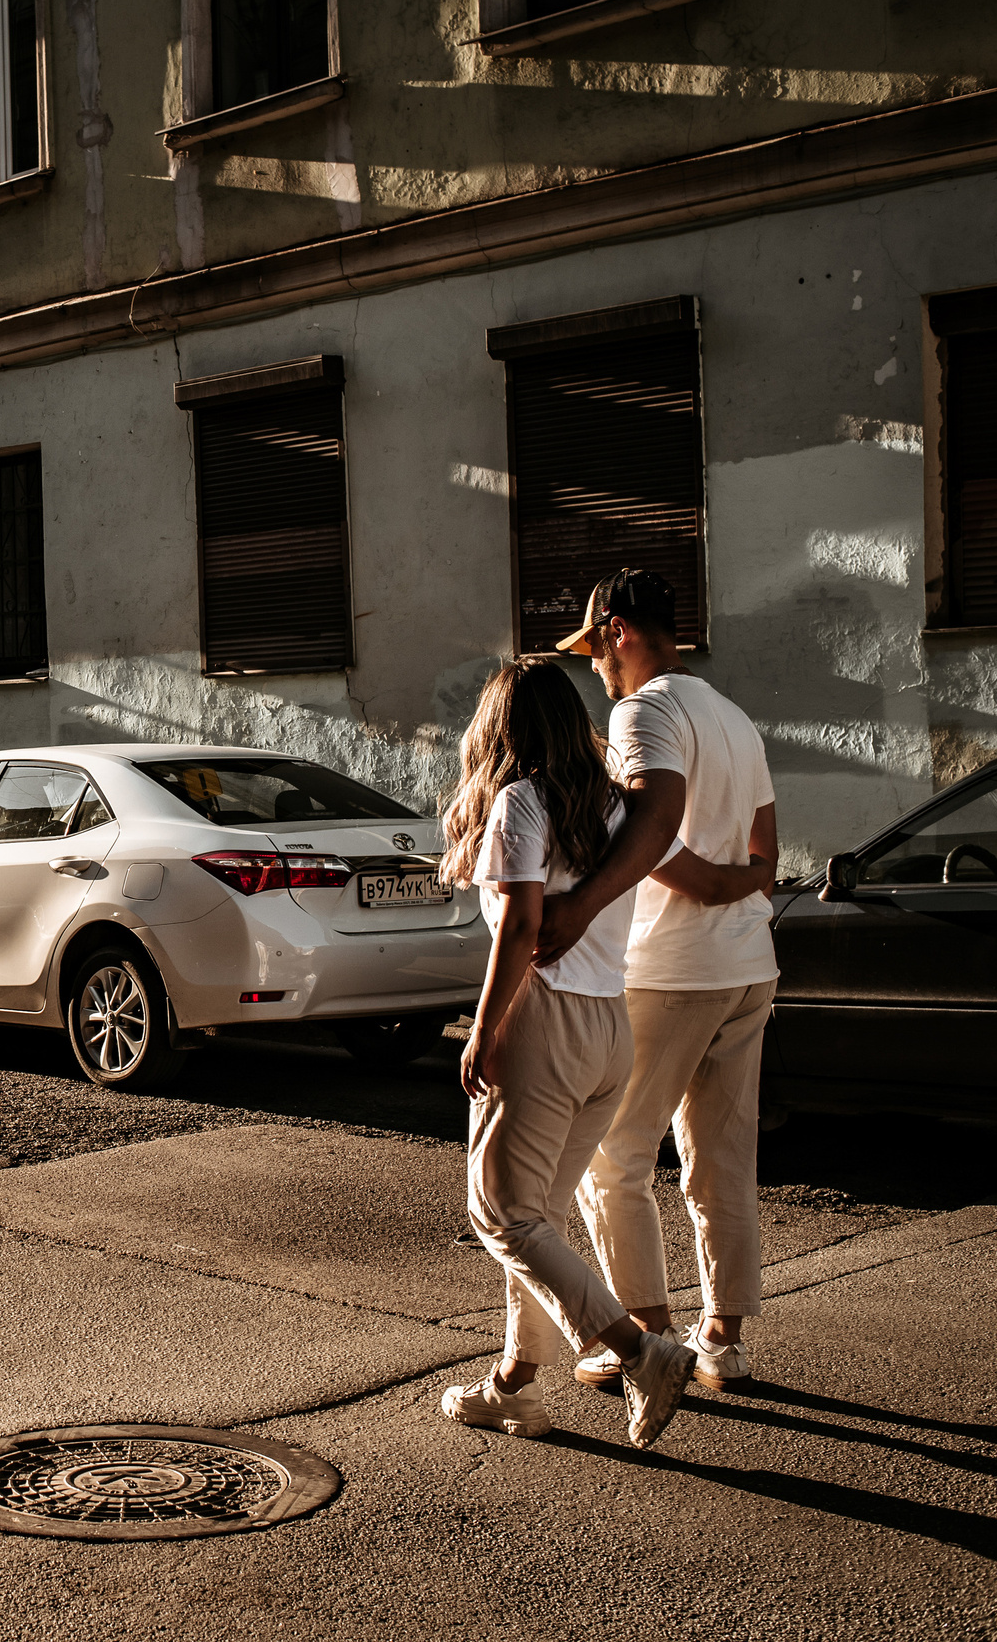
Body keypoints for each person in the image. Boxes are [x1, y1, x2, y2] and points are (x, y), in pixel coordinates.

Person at [434, 657, 756, 1448]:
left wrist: (482, 1029)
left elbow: (521, 928)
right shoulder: (613, 809)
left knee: (500, 1211)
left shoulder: (519, 800)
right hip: (612, 1024)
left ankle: (639, 1350)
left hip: (544, 1020)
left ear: (498, 728)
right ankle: (513, 1386)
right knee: (537, 1214)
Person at [536, 570, 781, 1394]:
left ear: (616, 631)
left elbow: (654, 812)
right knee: (721, 1156)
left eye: (592, 650)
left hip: (674, 968)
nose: (593, 672)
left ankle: (647, 1337)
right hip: (748, 965)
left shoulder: (642, 711)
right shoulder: (735, 716)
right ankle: (726, 1340)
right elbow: (765, 854)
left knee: (618, 1155)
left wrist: (582, 902)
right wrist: (722, 884)